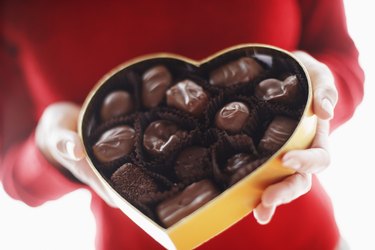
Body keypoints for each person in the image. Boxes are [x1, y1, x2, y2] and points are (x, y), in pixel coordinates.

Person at [0, 0, 364, 249]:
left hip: (304, 240)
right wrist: (49, 149)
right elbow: (13, 171)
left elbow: (341, 62)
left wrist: (316, 98)